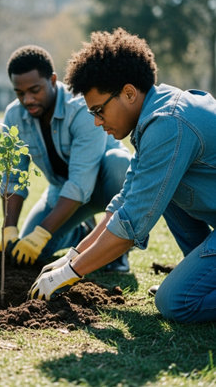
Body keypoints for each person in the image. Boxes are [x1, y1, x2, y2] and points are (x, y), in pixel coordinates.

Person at [29, 28, 216, 324]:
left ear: (129, 93)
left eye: (99, 110)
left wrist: (71, 273)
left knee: (175, 302)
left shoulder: (168, 124)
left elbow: (130, 225)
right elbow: (124, 202)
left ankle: (188, 289)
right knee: (162, 192)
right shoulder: (155, 114)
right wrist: (72, 255)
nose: (96, 121)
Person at [0, 45, 131, 270]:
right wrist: (9, 229)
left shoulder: (82, 108)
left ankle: (115, 249)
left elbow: (81, 184)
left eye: (35, 90)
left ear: (52, 80)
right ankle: (82, 233)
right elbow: (14, 179)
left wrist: (44, 231)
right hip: (61, 192)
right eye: (20, 93)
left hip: (102, 185)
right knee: (30, 252)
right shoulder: (14, 116)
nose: (28, 100)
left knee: (120, 163)